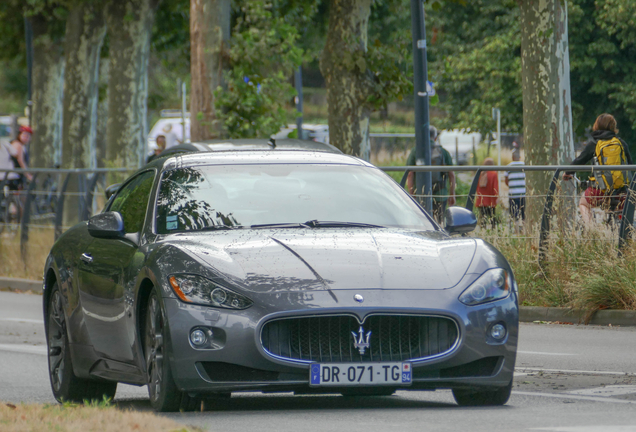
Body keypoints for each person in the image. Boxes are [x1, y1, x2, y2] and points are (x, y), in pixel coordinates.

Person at [562, 113, 633, 224]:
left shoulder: (594, 144)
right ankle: (627, 232)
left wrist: (568, 173)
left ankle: (592, 231)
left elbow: (579, 161)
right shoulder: (621, 143)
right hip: (622, 191)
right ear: (613, 126)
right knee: (626, 207)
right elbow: (631, 164)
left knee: (583, 203)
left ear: (596, 126)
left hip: (600, 191)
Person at [406, 126, 456, 222]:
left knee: (422, 222)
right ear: (436, 138)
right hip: (440, 194)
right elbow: (451, 174)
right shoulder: (443, 152)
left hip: (421, 195)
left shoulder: (415, 151)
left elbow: (410, 174)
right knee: (438, 222)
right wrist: (452, 194)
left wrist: (412, 194)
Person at [475, 157, 499, 228]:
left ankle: (483, 233)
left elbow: (476, 186)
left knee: (482, 219)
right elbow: (495, 188)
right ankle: (493, 234)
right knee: (492, 219)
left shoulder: (480, 174)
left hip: (481, 201)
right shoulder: (493, 174)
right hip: (490, 201)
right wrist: (497, 197)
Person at [505, 145, 526, 221]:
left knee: (514, 215)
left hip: (513, 194)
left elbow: (506, 181)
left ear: (512, 157)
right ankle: (524, 230)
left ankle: (516, 231)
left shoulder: (508, 167)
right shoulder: (525, 166)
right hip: (523, 193)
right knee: (524, 215)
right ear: (520, 157)